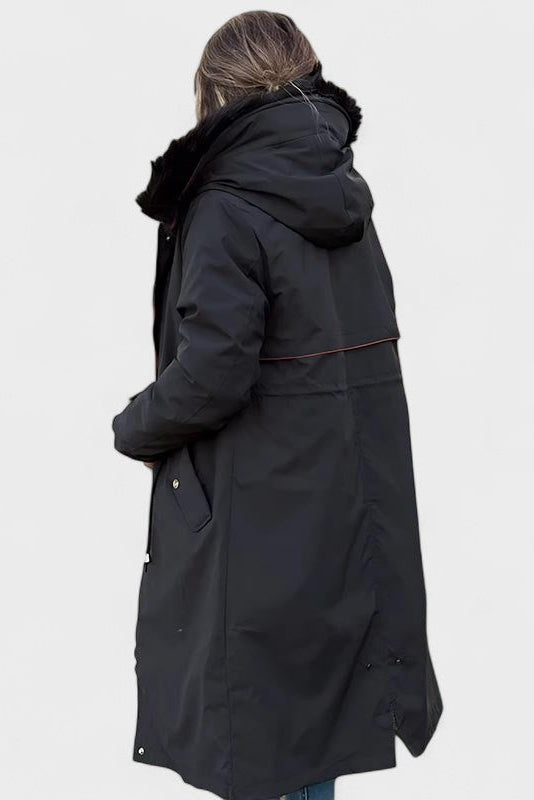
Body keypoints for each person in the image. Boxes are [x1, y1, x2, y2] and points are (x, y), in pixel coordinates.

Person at [112, 11, 442, 800]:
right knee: (312, 731)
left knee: (262, 736)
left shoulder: (226, 205)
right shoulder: (344, 195)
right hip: (345, 510)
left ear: (214, 93)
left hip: (260, 518)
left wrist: (135, 425)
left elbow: (214, 372)